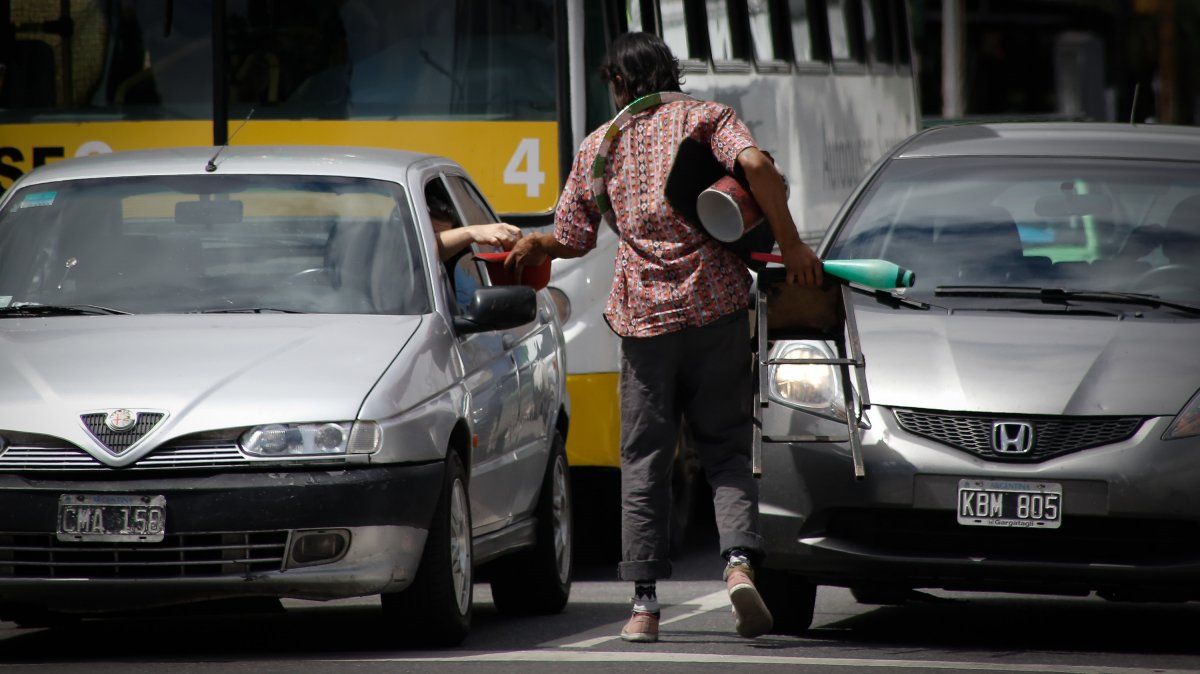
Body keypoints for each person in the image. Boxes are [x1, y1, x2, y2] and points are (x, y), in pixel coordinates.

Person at [506, 32, 821, 642]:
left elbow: (573, 236)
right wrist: (793, 246)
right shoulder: (707, 119)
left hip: (645, 321)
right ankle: (738, 566)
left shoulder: (600, 145)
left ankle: (645, 607)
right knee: (726, 449)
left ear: (619, 83)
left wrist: (537, 243)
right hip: (717, 311)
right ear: (670, 73)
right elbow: (757, 167)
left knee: (645, 459)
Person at [426, 190, 522, 306]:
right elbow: (419, 254)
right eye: (434, 235)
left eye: (450, 238)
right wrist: (472, 232)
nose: (447, 246)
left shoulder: (461, 281)